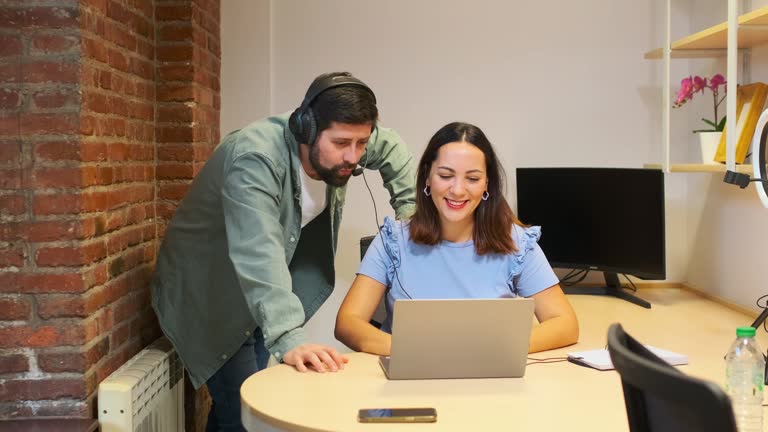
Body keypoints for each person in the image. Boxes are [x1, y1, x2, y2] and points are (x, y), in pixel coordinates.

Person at [150, 72, 417, 431]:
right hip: (210, 294)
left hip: (262, 295)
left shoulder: (349, 144)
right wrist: (290, 337)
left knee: (237, 409)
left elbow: (393, 148)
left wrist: (411, 219)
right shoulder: (254, 159)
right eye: (341, 143)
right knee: (248, 416)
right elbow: (257, 252)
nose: (353, 157)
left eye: (361, 143)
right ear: (306, 128)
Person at [335, 122, 579, 356]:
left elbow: (565, 323)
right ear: (427, 178)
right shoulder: (392, 240)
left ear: (487, 184)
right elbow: (348, 323)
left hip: (489, 379)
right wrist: (410, 352)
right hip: (409, 380)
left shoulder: (516, 242)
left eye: (472, 179)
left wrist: (495, 350)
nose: (458, 190)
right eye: (445, 175)